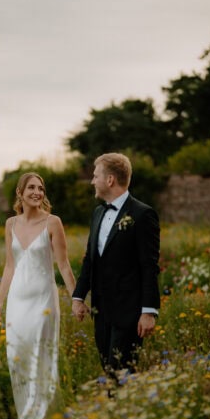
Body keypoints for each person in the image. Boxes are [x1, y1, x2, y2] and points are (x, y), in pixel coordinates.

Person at [0, 172, 75, 419]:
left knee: (41, 358)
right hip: (17, 303)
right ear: (20, 192)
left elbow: (63, 265)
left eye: (41, 188)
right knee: (19, 359)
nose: (37, 192)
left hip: (43, 302)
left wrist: (76, 299)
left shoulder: (53, 222)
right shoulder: (10, 224)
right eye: (31, 187)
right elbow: (9, 265)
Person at [72, 152, 160, 379]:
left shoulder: (142, 214)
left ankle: (121, 412)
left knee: (119, 375)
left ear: (110, 180)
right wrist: (79, 297)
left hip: (129, 312)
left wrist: (148, 311)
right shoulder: (98, 213)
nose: (92, 181)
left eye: (95, 176)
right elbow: (90, 259)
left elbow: (149, 266)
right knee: (109, 371)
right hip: (100, 312)